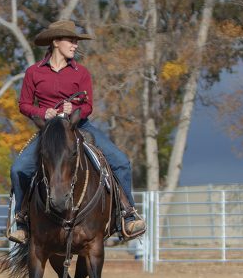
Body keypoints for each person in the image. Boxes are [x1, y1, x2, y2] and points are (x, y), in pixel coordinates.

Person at [8, 20, 146, 244]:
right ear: (55, 42)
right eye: (71, 40)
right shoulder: (34, 72)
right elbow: (24, 105)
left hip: (80, 127)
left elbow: (88, 106)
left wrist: (76, 110)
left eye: (75, 41)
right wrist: (45, 113)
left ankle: (127, 216)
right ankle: (22, 222)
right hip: (49, 132)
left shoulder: (81, 72)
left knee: (120, 161)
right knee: (19, 169)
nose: (75, 45)